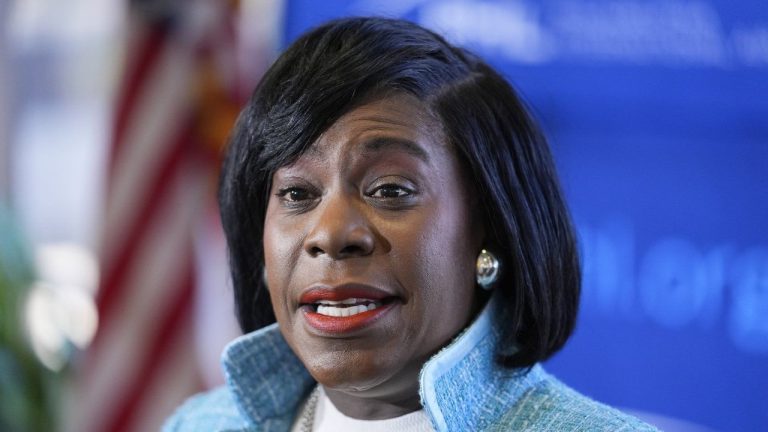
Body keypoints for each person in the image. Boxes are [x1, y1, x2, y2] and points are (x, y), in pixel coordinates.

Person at [164, 17, 658, 432]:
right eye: (297, 194)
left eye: (391, 191)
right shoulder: (199, 424)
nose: (332, 234)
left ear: (490, 229)